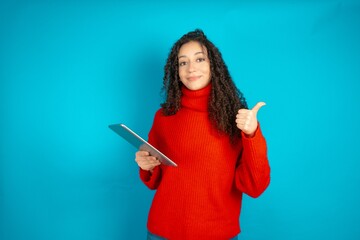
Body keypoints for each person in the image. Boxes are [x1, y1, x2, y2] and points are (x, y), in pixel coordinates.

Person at [135, 29, 270, 240]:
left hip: (216, 234)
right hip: (162, 231)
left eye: (199, 59)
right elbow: (155, 180)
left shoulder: (236, 118)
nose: (191, 68)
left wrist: (252, 134)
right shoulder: (163, 116)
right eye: (182, 62)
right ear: (176, 70)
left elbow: (254, 187)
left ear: (213, 66)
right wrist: (146, 165)